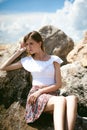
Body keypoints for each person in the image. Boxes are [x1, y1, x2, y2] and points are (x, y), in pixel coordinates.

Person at [0, 31, 78, 130]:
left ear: (40, 43)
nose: (28, 47)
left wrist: (41, 91)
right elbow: (3, 67)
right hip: (36, 96)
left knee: (72, 99)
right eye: (27, 44)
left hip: (52, 94)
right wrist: (19, 51)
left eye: (31, 43)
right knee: (61, 100)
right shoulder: (28, 61)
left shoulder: (54, 60)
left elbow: (58, 84)